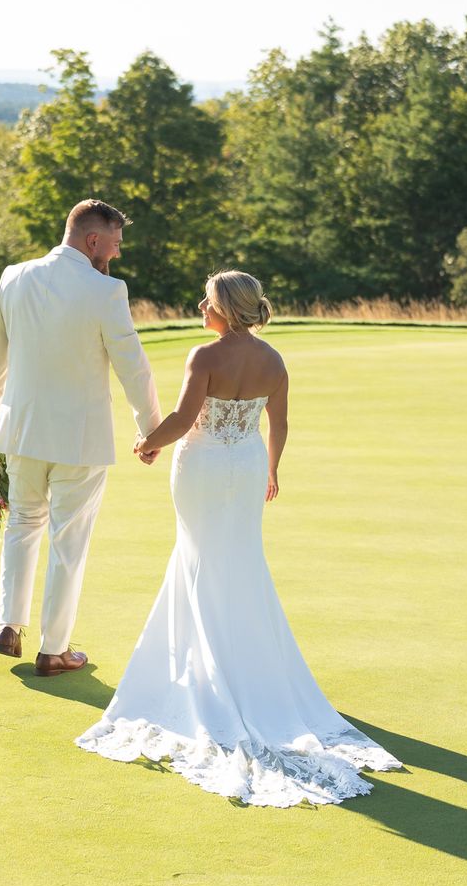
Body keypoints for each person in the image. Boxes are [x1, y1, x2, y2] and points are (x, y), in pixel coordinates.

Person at [76, 270, 399, 806]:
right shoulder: (274, 360)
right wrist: (271, 469)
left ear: (224, 307)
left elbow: (183, 418)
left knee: (199, 560)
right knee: (240, 562)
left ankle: (208, 679)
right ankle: (244, 669)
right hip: (247, 465)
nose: (201, 305)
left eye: (207, 299)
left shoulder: (204, 356)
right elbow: (281, 423)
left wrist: (146, 443)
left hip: (202, 466)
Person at [0, 199, 161, 676]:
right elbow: (132, 365)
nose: (115, 256)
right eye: (114, 245)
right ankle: (54, 650)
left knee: (22, 526)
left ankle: (8, 627)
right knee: (68, 542)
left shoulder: (14, 275)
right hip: (80, 439)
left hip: (22, 430)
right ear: (92, 240)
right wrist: (151, 428)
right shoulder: (106, 291)